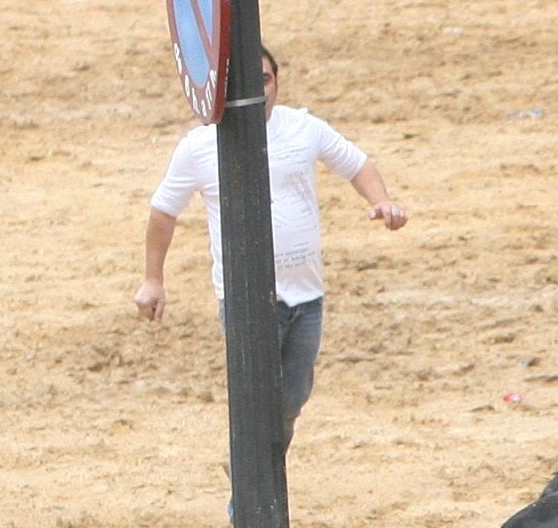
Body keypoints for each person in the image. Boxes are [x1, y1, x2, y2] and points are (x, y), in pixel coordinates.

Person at [135, 49, 409, 457]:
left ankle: (251, 472)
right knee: (255, 402)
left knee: (292, 397)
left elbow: (356, 164)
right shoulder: (200, 145)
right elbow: (163, 213)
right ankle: (249, 490)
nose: (257, 89)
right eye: (247, 80)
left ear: (276, 81)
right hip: (246, 299)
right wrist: (153, 279)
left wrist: (382, 200)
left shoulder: (303, 128)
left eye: (264, 79)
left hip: (306, 293)